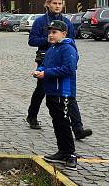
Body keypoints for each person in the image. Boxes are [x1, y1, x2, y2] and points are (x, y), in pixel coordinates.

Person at [26, 0, 92, 141]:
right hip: (45, 59)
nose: (57, 6)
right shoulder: (40, 21)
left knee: (68, 93)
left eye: (59, 3)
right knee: (42, 90)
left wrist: (72, 55)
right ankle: (32, 116)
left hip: (63, 57)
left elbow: (72, 40)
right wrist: (50, 39)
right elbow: (32, 40)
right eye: (54, 3)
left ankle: (78, 128)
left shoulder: (67, 22)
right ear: (48, 4)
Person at [33, 20, 78, 169]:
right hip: (51, 91)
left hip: (63, 92)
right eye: (49, 32)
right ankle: (62, 150)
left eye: (54, 32)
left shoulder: (67, 49)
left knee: (64, 123)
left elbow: (69, 69)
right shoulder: (52, 48)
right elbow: (46, 64)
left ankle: (70, 154)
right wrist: (40, 69)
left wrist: (46, 73)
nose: (51, 35)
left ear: (63, 34)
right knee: (57, 122)